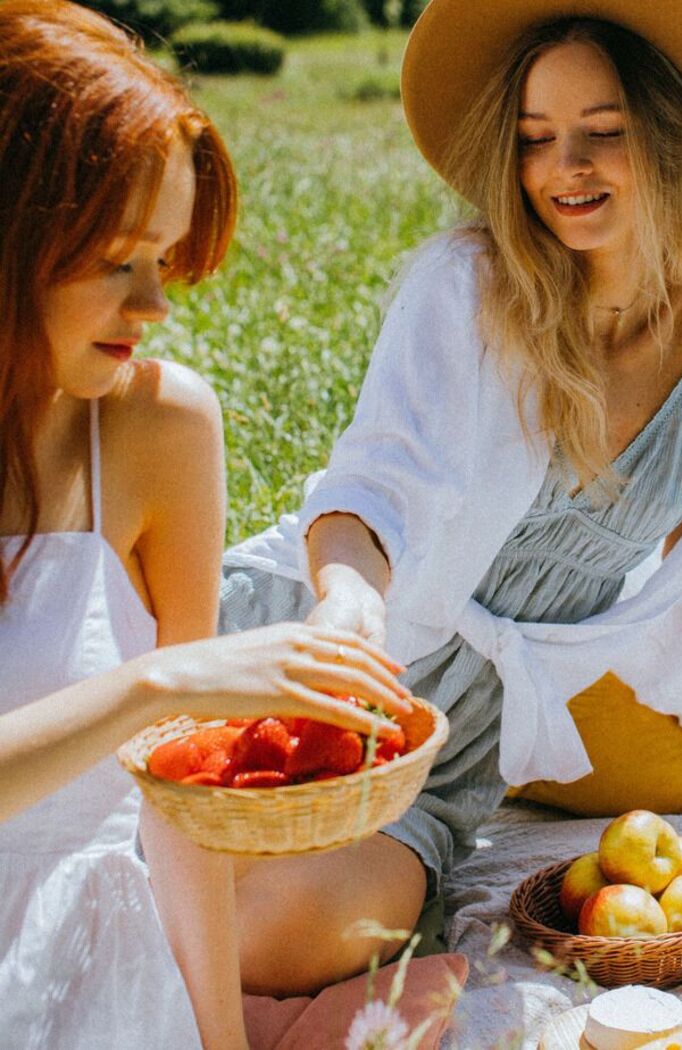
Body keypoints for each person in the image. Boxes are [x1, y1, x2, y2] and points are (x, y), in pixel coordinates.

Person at [145, 0, 682, 1039]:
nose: (564, 169)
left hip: (447, 753)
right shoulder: (468, 287)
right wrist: (347, 607)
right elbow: (366, 489)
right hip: (322, 660)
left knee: (293, 932)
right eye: (535, 138)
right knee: (119, 850)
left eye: (602, 131)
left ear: (667, 134)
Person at [0, 4, 410, 1046]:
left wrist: (217, 1037)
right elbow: (166, 698)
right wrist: (160, 682)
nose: (156, 307)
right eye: (116, 261)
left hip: (88, 981)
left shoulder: (156, 424)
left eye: (166, 262)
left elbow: (182, 799)